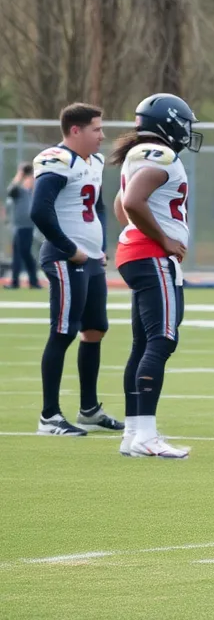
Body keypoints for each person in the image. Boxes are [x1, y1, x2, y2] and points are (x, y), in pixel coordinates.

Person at [111, 93, 203, 459]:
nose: (187, 130)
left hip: (135, 253)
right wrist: (163, 237)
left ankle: (133, 433)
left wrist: (150, 231)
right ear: (168, 123)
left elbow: (122, 207)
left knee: (143, 344)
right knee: (162, 340)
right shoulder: (160, 154)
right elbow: (132, 203)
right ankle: (146, 434)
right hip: (151, 257)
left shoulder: (141, 154)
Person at [31, 103, 120, 436]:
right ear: (75, 131)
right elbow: (39, 211)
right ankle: (49, 416)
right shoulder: (56, 159)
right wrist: (72, 250)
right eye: (96, 129)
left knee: (95, 328)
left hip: (90, 259)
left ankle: (89, 409)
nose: (102, 135)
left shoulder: (93, 161)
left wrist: (100, 248)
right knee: (64, 330)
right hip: (65, 258)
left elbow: (95, 204)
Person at [6, 163, 40, 289]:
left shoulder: (32, 191)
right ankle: (16, 282)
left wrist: (32, 176)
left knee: (25, 253)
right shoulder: (19, 191)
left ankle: (33, 281)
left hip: (27, 226)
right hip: (19, 227)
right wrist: (20, 174)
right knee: (18, 254)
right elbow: (11, 190)